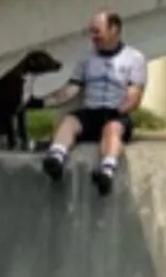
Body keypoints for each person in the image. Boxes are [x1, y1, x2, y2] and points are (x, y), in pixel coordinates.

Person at [35, 10, 146, 195]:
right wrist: (42, 102)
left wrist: (120, 110)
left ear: (114, 30)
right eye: (91, 32)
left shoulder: (134, 58)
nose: (93, 37)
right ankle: (56, 158)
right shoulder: (86, 58)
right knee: (69, 121)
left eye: (97, 31)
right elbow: (71, 90)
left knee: (112, 129)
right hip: (91, 111)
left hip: (115, 112)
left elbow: (134, 96)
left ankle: (107, 171)